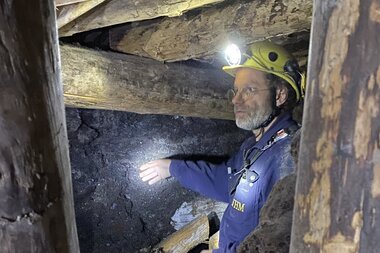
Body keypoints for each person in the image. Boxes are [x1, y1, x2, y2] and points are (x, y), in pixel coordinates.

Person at [139, 41, 305, 253]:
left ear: (280, 95)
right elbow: (227, 182)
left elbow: (279, 242)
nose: (236, 99)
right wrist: (172, 168)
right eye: (236, 91)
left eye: (249, 90)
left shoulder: (290, 156)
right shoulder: (255, 148)